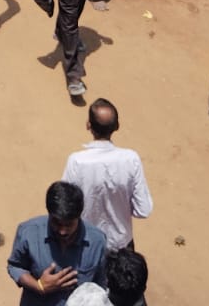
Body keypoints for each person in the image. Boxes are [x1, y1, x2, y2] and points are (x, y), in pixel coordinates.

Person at [62, 97, 152, 252]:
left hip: (86, 248)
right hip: (122, 247)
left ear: (88, 126)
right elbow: (143, 209)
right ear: (117, 126)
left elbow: (65, 206)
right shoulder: (131, 159)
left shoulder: (77, 161)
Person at [7, 180, 107, 304]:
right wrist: (38, 286)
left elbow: (100, 285)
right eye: (57, 223)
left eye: (69, 224)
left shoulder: (97, 242)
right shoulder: (28, 233)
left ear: (79, 216)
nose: (62, 231)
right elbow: (15, 266)